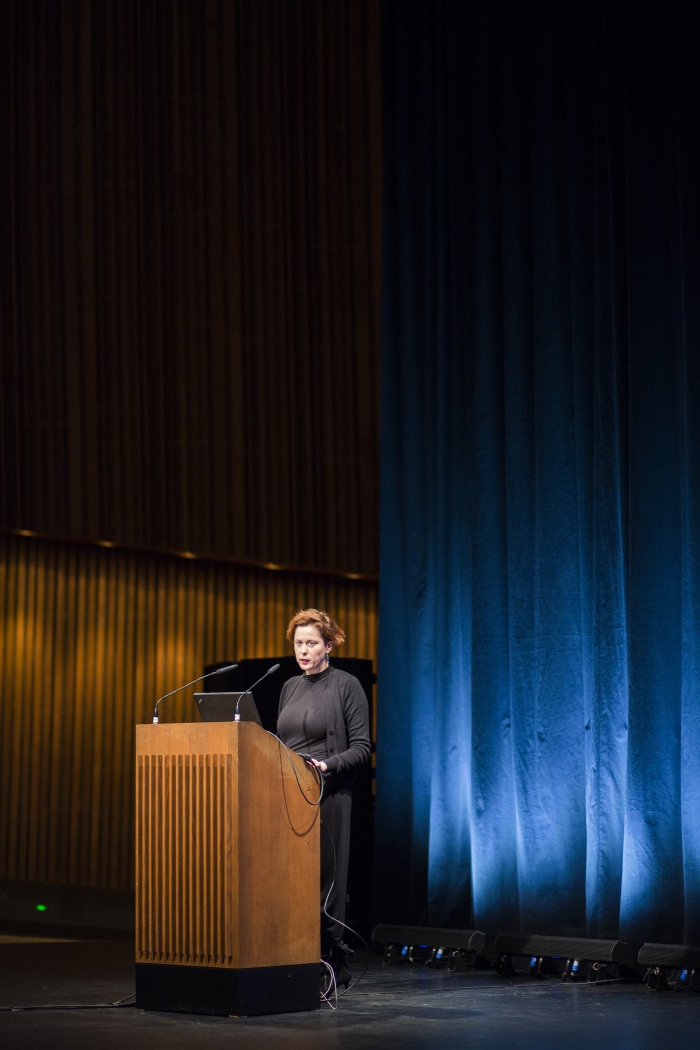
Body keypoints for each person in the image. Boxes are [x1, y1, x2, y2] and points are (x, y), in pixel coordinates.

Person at [277, 608, 370, 988]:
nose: (303, 650)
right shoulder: (288, 687)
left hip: (328, 795)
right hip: (286, 794)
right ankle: (290, 960)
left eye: (311, 643)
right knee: (289, 881)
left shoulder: (346, 685)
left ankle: (330, 964)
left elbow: (363, 746)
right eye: (298, 643)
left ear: (329, 645)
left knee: (324, 882)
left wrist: (327, 765)